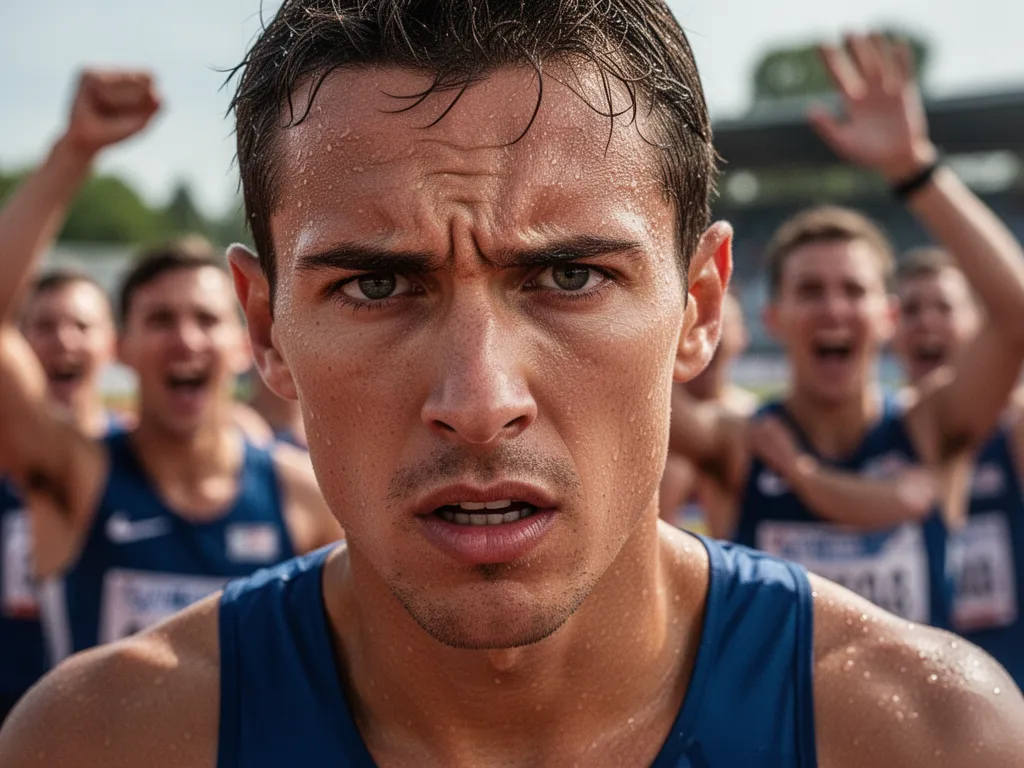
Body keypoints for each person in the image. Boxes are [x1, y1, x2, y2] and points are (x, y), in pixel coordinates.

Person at [2, 7, 1022, 766]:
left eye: (569, 276)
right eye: (375, 283)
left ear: (701, 306)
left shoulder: (923, 737)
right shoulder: (102, 742)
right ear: (264, 328)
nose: (480, 400)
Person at [670, 34, 1024, 630]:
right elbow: (607, 371)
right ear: (773, 318)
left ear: (886, 317)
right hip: (779, 728)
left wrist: (915, 170)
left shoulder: (933, 427)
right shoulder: (738, 444)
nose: (834, 308)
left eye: (853, 290)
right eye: (810, 291)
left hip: (920, 723)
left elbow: (1015, 316)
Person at [0, 71, 341, 663]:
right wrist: (74, 151)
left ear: (245, 343)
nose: (185, 339)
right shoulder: (78, 474)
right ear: (121, 349)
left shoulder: (302, 497)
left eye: (206, 319)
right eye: (159, 321)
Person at [892, 247, 1024, 687]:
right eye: (911, 309)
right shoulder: (881, 435)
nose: (927, 321)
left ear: (976, 327)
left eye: (944, 307)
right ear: (891, 327)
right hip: (924, 696)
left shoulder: (1015, 431)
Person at [0, 269, 120, 722]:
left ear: (113, 345)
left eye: (81, 326)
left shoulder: (140, 464)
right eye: (44, 326)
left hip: (100, 723)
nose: (63, 340)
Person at [659, 293, 756, 532]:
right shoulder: (645, 422)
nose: (706, 329)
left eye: (722, 320)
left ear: (742, 337)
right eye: (694, 319)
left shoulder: (753, 418)